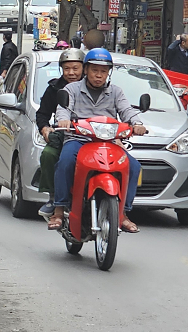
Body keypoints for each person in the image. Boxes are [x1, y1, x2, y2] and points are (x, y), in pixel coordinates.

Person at [49, 48, 146, 233]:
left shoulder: (116, 92)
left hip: (108, 142)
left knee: (133, 166)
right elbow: (63, 108)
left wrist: (137, 123)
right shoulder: (71, 89)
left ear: (109, 72)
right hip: (78, 139)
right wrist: (63, 119)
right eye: (95, 70)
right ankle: (59, 209)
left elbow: (127, 111)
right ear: (86, 70)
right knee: (65, 162)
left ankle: (123, 213)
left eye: (103, 71)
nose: (99, 75)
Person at [35, 48, 84, 218]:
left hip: (94, 136)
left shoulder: (95, 86)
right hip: (66, 136)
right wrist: (45, 129)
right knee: (49, 155)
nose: (71, 73)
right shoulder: (54, 88)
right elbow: (42, 114)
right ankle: (53, 198)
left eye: (75, 68)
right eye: (67, 68)